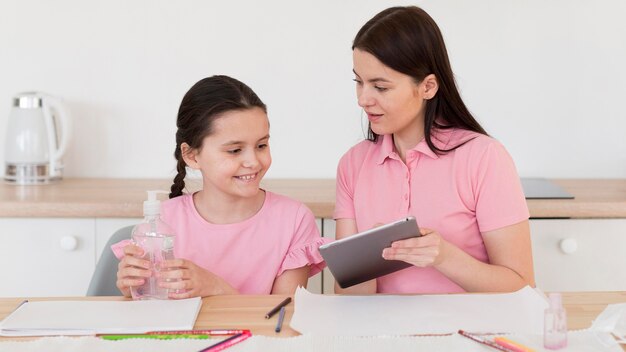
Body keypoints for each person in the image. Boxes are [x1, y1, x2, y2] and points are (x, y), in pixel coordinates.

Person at [334, 6, 535, 294]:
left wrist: (444, 256)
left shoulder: (483, 158)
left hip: (463, 332)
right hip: (382, 333)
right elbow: (347, 296)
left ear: (428, 87)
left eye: (380, 86)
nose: (363, 99)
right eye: (359, 82)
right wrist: (365, 257)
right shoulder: (352, 165)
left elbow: (522, 286)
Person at [114, 75, 326, 298]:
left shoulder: (293, 220)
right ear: (192, 155)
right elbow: (149, 309)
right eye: (235, 150)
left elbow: (282, 317)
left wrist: (216, 288)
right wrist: (133, 288)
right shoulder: (162, 223)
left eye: (261, 145)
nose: (253, 161)